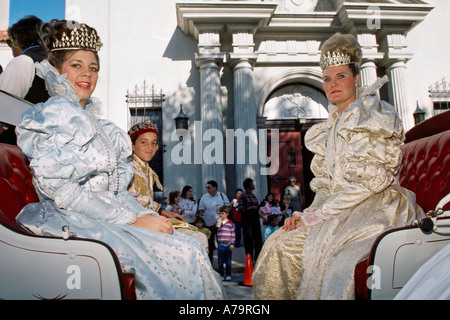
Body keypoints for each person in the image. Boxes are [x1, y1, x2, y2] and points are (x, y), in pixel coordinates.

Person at [15, 19, 224, 300]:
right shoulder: (56, 116)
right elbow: (64, 193)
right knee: (183, 254)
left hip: (103, 213)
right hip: (74, 217)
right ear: (56, 71)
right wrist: (132, 221)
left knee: (192, 244)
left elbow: (115, 190)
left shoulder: (99, 124)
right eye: (76, 65)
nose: (86, 74)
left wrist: (144, 215)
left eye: (93, 67)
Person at [252, 32, 424, 300]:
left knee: (321, 262)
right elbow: (325, 185)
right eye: (327, 78)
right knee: (275, 243)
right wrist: (308, 213)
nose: (332, 84)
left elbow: (371, 181)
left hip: (374, 206)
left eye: (340, 76)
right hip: (338, 210)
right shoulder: (329, 127)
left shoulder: (373, 116)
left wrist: (319, 216)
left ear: (356, 78)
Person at [127, 120, 208, 251]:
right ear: (132, 145)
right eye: (143, 142)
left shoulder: (147, 169)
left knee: (196, 233)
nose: (150, 147)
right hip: (137, 224)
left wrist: (165, 212)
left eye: (153, 143)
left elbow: (147, 202)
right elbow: (130, 203)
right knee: (196, 239)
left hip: (150, 218)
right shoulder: (128, 169)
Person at [0, 16, 50, 144]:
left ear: (17, 40)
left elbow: (3, 114)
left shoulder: (23, 61)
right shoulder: (53, 62)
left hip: (17, 148)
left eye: (10, 42)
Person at [198, 180, 230, 263]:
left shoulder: (222, 195)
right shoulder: (204, 197)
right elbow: (200, 211)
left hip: (220, 222)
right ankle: (210, 263)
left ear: (215, 187)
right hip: (208, 223)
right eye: (207, 187)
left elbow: (228, 207)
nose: (207, 189)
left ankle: (222, 262)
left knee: (221, 244)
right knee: (209, 244)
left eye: (209, 187)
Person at [238, 178, 263, 262]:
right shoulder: (243, 196)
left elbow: (256, 205)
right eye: (252, 183)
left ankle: (257, 258)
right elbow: (240, 208)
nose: (254, 185)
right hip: (247, 220)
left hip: (255, 218)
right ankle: (249, 259)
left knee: (258, 239)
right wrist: (251, 207)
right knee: (248, 240)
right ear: (249, 186)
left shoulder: (253, 195)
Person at [216, 206, 235, 281]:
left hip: (228, 243)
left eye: (222, 213)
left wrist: (232, 243)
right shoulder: (219, 222)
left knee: (228, 261)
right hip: (220, 244)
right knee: (220, 261)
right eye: (220, 213)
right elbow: (217, 230)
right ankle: (221, 274)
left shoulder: (230, 223)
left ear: (227, 214)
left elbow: (233, 233)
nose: (221, 215)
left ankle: (228, 274)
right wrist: (217, 224)